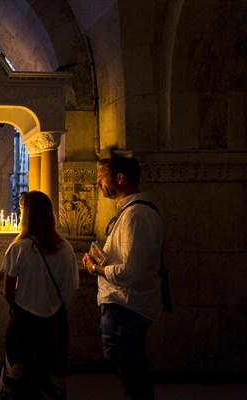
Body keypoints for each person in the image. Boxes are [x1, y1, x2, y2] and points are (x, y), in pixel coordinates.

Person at [82, 156, 164, 400]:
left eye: (101, 178)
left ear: (120, 178)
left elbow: (131, 272)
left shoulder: (135, 216)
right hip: (124, 304)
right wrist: (99, 260)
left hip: (126, 305)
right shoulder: (129, 213)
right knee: (129, 367)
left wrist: (98, 270)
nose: (98, 184)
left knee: (131, 370)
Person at [0, 190, 79, 400]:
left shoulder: (18, 248)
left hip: (23, 323)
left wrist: (24, 302)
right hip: (55, 325)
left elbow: (8, 292)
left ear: (26, 216)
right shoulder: (66, 249)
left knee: (17, 376)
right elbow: (70, 290)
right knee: (52, 379)